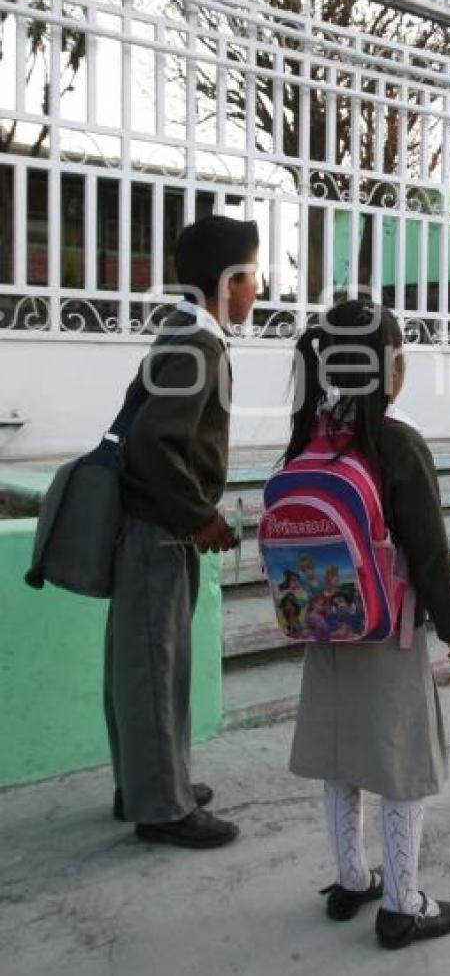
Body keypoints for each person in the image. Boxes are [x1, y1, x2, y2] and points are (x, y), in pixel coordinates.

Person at [281, 299, 450, 949]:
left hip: (324, 623)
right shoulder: (396, 441)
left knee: (343, 759)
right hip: (387, 630)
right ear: (392, 366)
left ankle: (350, 878)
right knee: (401, 767)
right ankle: (402, 903)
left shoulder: (311, 430)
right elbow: (428, 548)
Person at [104, 215, 259, 849]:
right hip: (158, 529)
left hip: (158, 527)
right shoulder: (198, 344)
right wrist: (200, 516)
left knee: (153, 665)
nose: (258, 288)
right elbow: (154, 445)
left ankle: (149, 781)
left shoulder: (191, 333)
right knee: (150, 665)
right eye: (252, 275)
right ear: (227, 280)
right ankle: (160, 807)